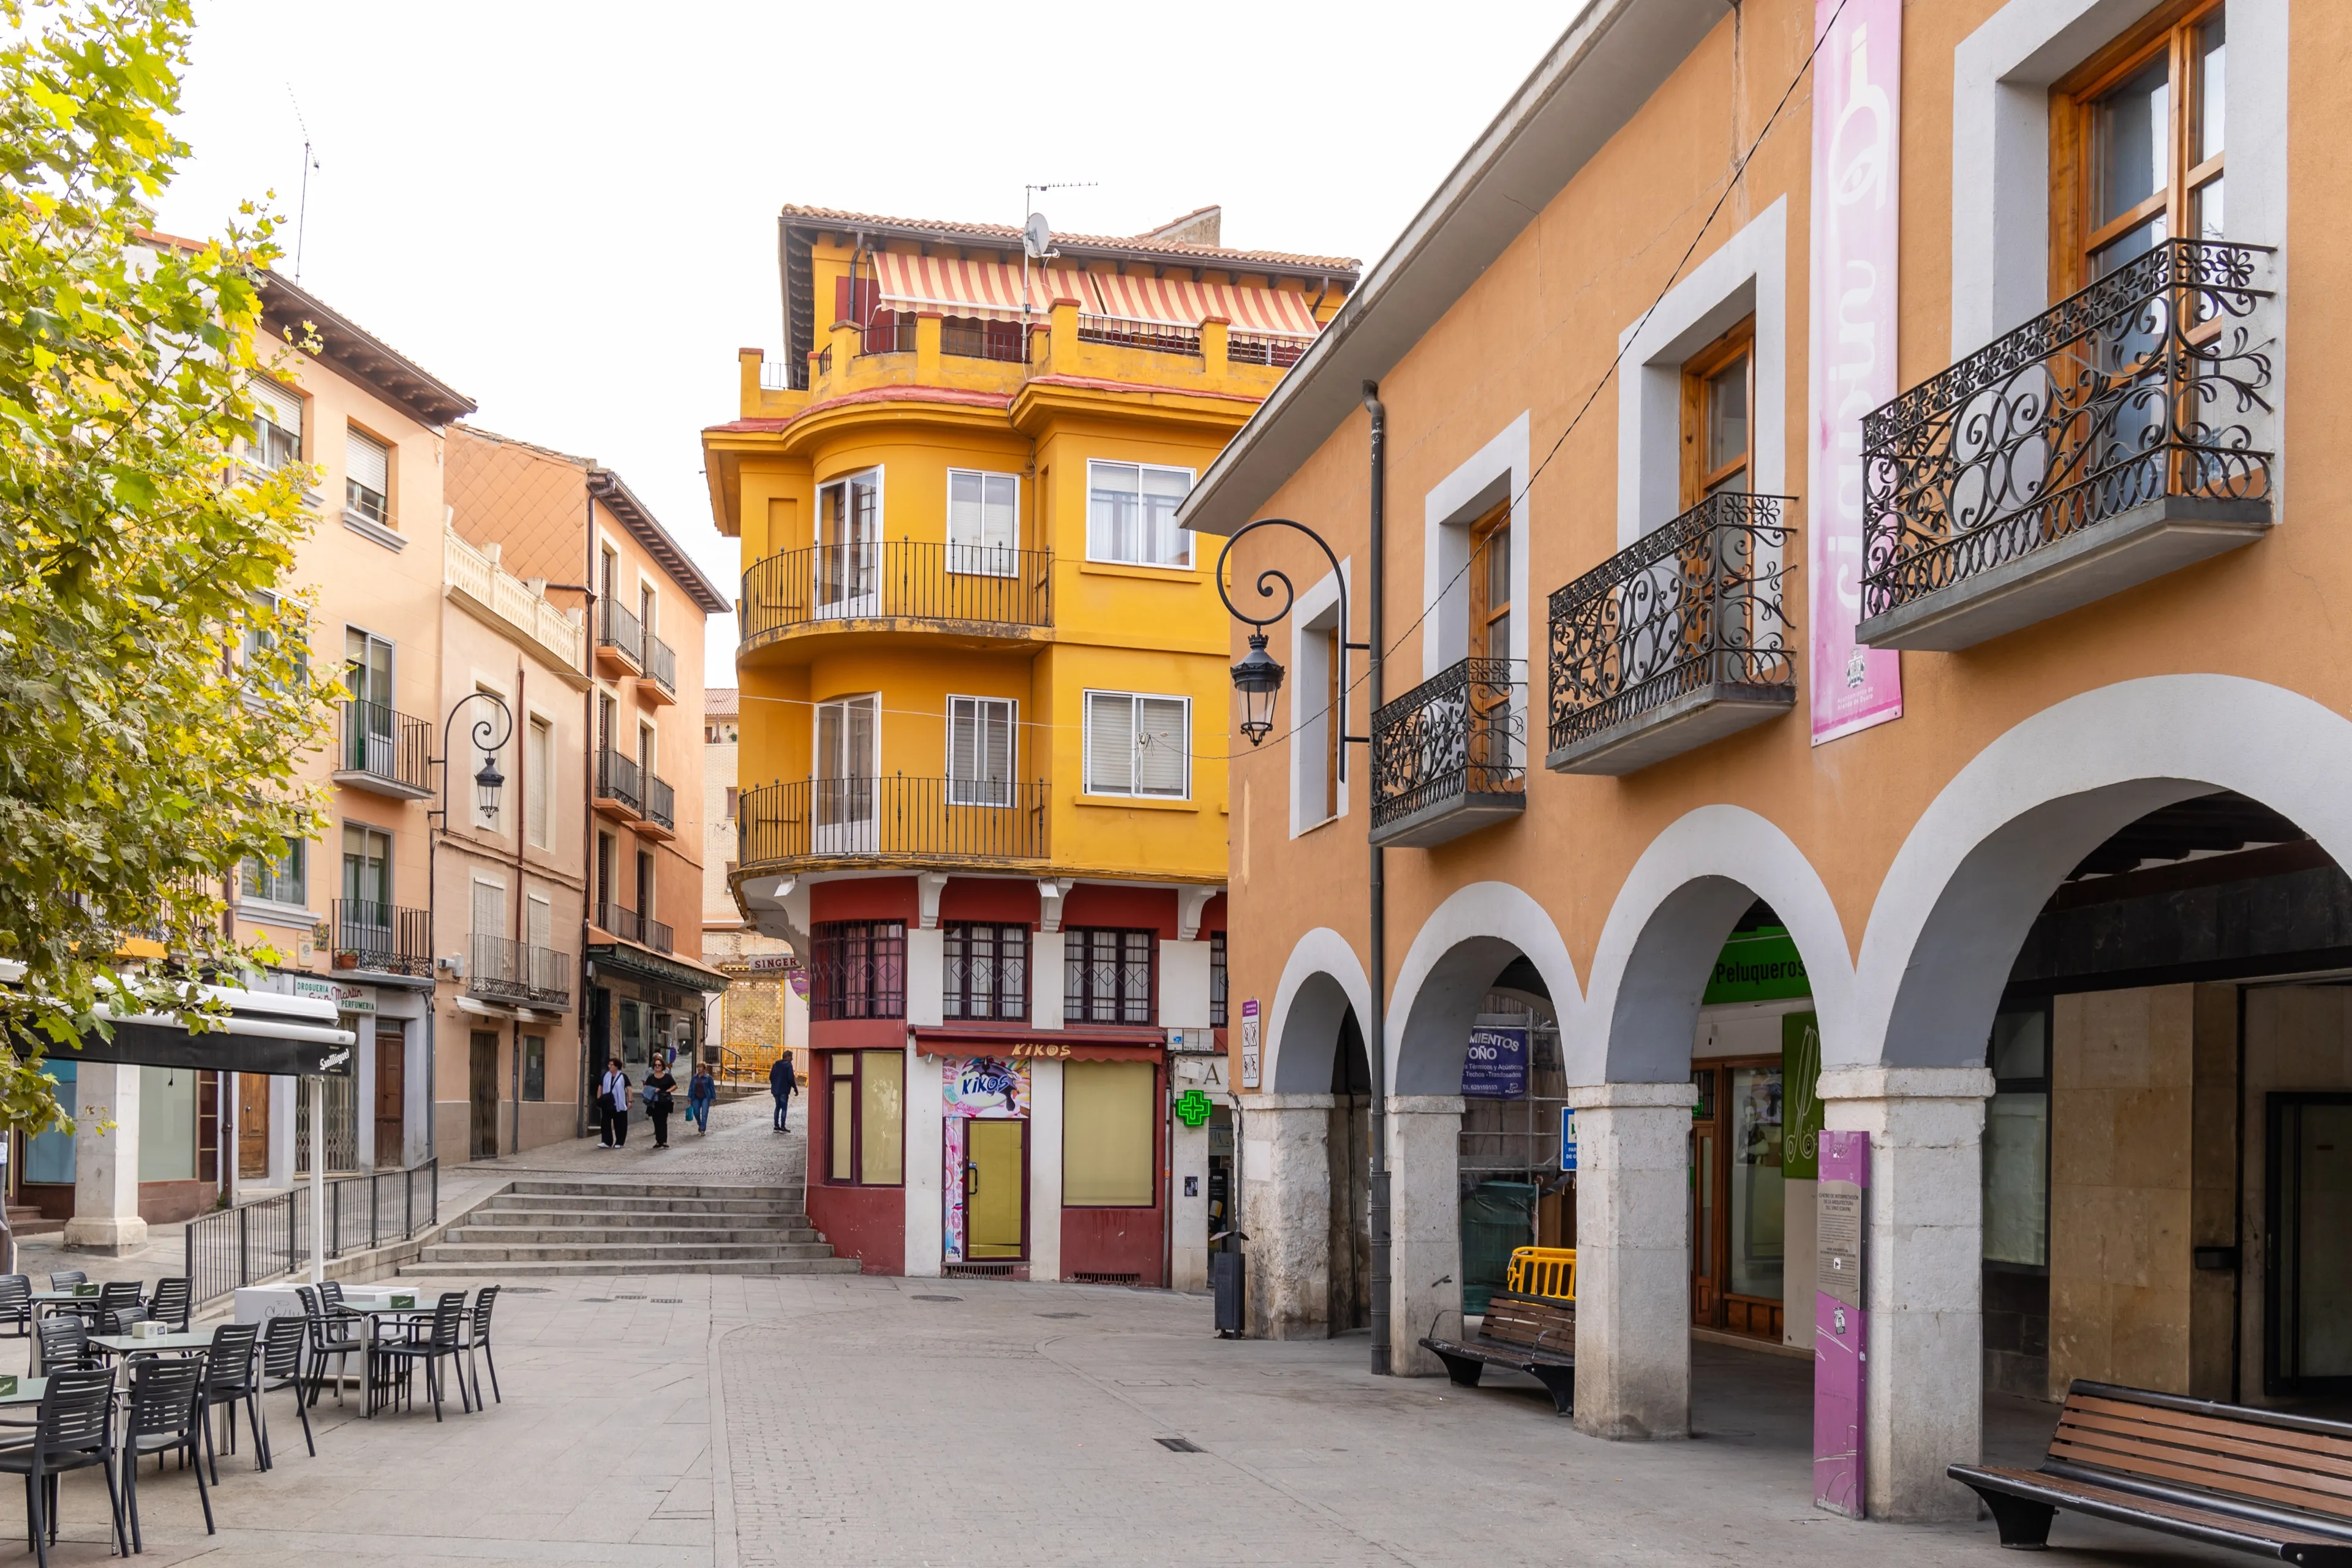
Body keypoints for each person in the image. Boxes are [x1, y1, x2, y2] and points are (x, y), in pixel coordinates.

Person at [644, 1054, 677, 1149]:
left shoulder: (667, 1077)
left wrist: (668, 1091)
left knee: (663, 1121)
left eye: (659, 1065)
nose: (657, 1067)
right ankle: (658, 1141)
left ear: (662, 1066)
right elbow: (646, 1087)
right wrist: (653, 1090)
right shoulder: (651, 1078)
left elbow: (675, 1085)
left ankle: (664, 1141)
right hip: (654, 1102)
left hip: (664, 1101)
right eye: (656, 1065)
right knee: (656, 1121)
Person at [598, 1057, 630, 1148]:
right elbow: (600, 1087)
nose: (609, 1066)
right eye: (609, 1064)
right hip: (607, 1103)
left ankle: (619, 1142)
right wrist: (600, 1099)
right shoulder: (605, 1076)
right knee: (605, 1122)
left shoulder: (623, 1077)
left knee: (620, 1124)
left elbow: (629, 1088)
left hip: (619, 1103)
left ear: (616, 1066)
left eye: (611, 1065)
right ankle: (606, 1141)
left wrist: (630, 1101)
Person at [769, 1051, 797, 1133]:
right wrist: (795, 1088)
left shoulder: (776, 1065)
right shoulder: (788, 1065)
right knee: (784, 1108)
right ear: (787, 1057)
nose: (792, 1059)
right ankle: (783, 1127)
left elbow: (771, 1077)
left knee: (778, 1107)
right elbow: (791, 1078)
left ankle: (776, 1126)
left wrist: (775, 1085)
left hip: (775, 1090)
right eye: (791, 1056)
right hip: (784, 1090)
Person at [687, 1062, 717, 1135]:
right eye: (698, 1067)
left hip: (705, 1097)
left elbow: (712, 1088)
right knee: (696, 1112)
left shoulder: (708, 1078)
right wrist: (689, 1098)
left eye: (700, 1067)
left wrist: (713, 1098)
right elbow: (691, 1088)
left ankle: (703, 1129)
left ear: (704, 1069)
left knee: (704, 1113)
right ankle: (700, 1124)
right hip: (696, 1097)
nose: (699, 1069)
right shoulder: (694, 1077)